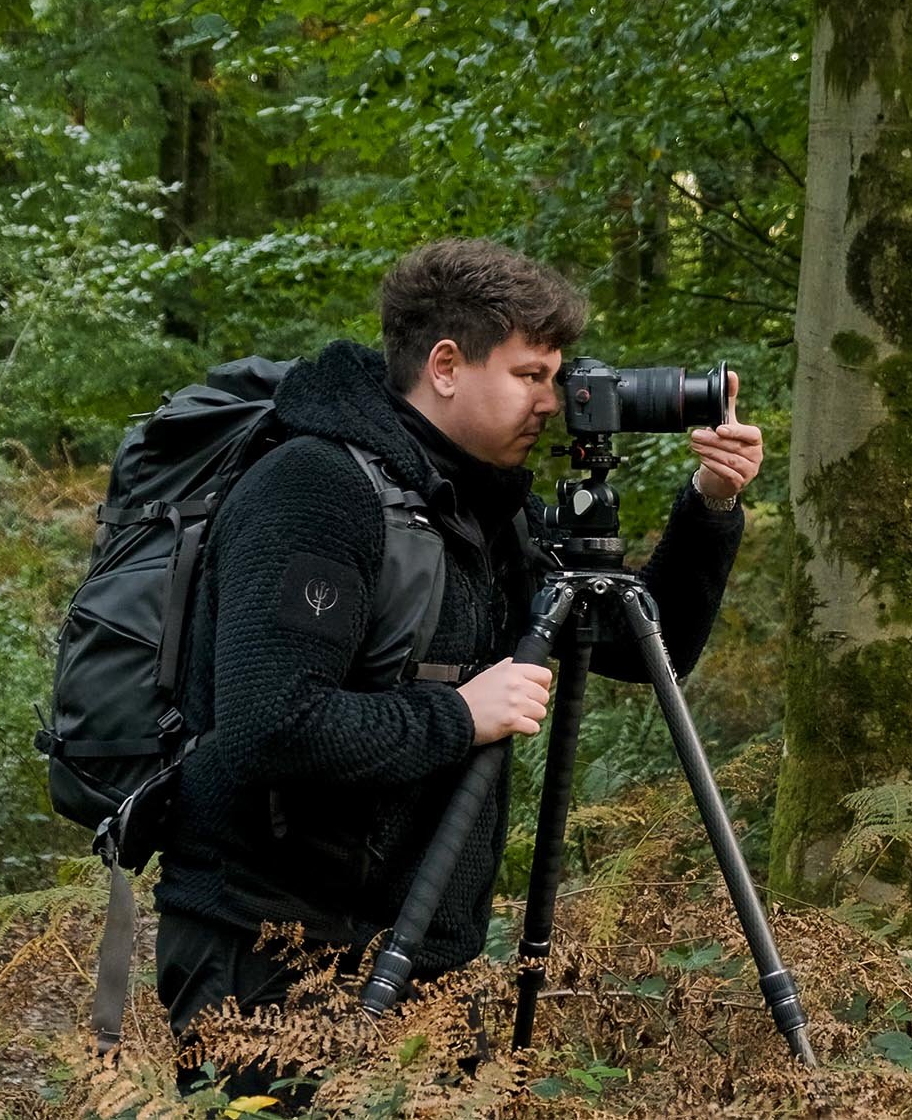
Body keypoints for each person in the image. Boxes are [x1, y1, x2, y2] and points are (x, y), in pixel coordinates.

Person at [149, 238, 763, 1101]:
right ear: (445, 364)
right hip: (271, 951)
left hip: (423, 956)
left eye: (556, 375)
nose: (556, 400)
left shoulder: (481, 511)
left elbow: (642, 645)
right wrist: (460, 715)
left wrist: (710, 506)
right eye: (531, 375)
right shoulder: (314, 489)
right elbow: (267, 721)